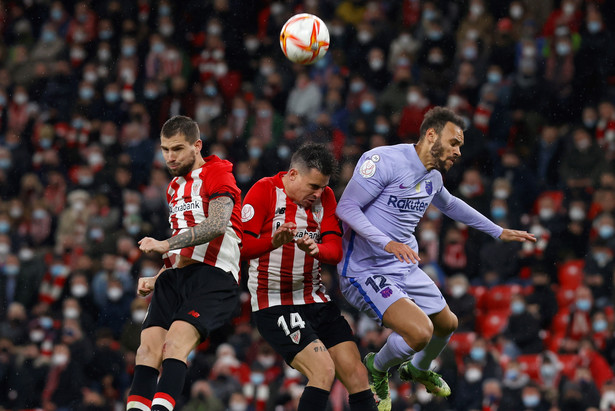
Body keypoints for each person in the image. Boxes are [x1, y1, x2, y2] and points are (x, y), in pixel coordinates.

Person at [335, 107, 536, 408]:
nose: (457, 151)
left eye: (460, 146)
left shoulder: (434, 178)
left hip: (401, 262)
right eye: (454, 143)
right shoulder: (383, 161)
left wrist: (497, 231)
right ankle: (377, 367)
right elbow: (346, 209)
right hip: (364, 268)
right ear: (431, 135)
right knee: (420, 333)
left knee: (447, 324)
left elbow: (452, 205)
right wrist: (386, 242)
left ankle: (417, 368)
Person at [240, 143, 377, 411]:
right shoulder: (264, 190)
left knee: (358, 375)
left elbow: (335, 251)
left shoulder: (325, 197)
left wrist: (317, 249)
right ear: (293, 175)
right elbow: (240, 247)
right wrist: (273, 241)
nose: (318, 193)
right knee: (323, 371)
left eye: (323, 186)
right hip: (274, 303)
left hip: (315, 298)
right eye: (313, 186)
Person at [126, 115, 243, 411]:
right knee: (146, 350)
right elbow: (185, 248)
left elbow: (217, 225)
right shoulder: (173, 188)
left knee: (174, 345)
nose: (170, 157)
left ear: (197, 146)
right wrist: (156, 277)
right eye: (165, 149)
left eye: (177, 148)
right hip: (176, 276)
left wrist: (165, 244)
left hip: (214, 276)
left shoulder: (219, 173)